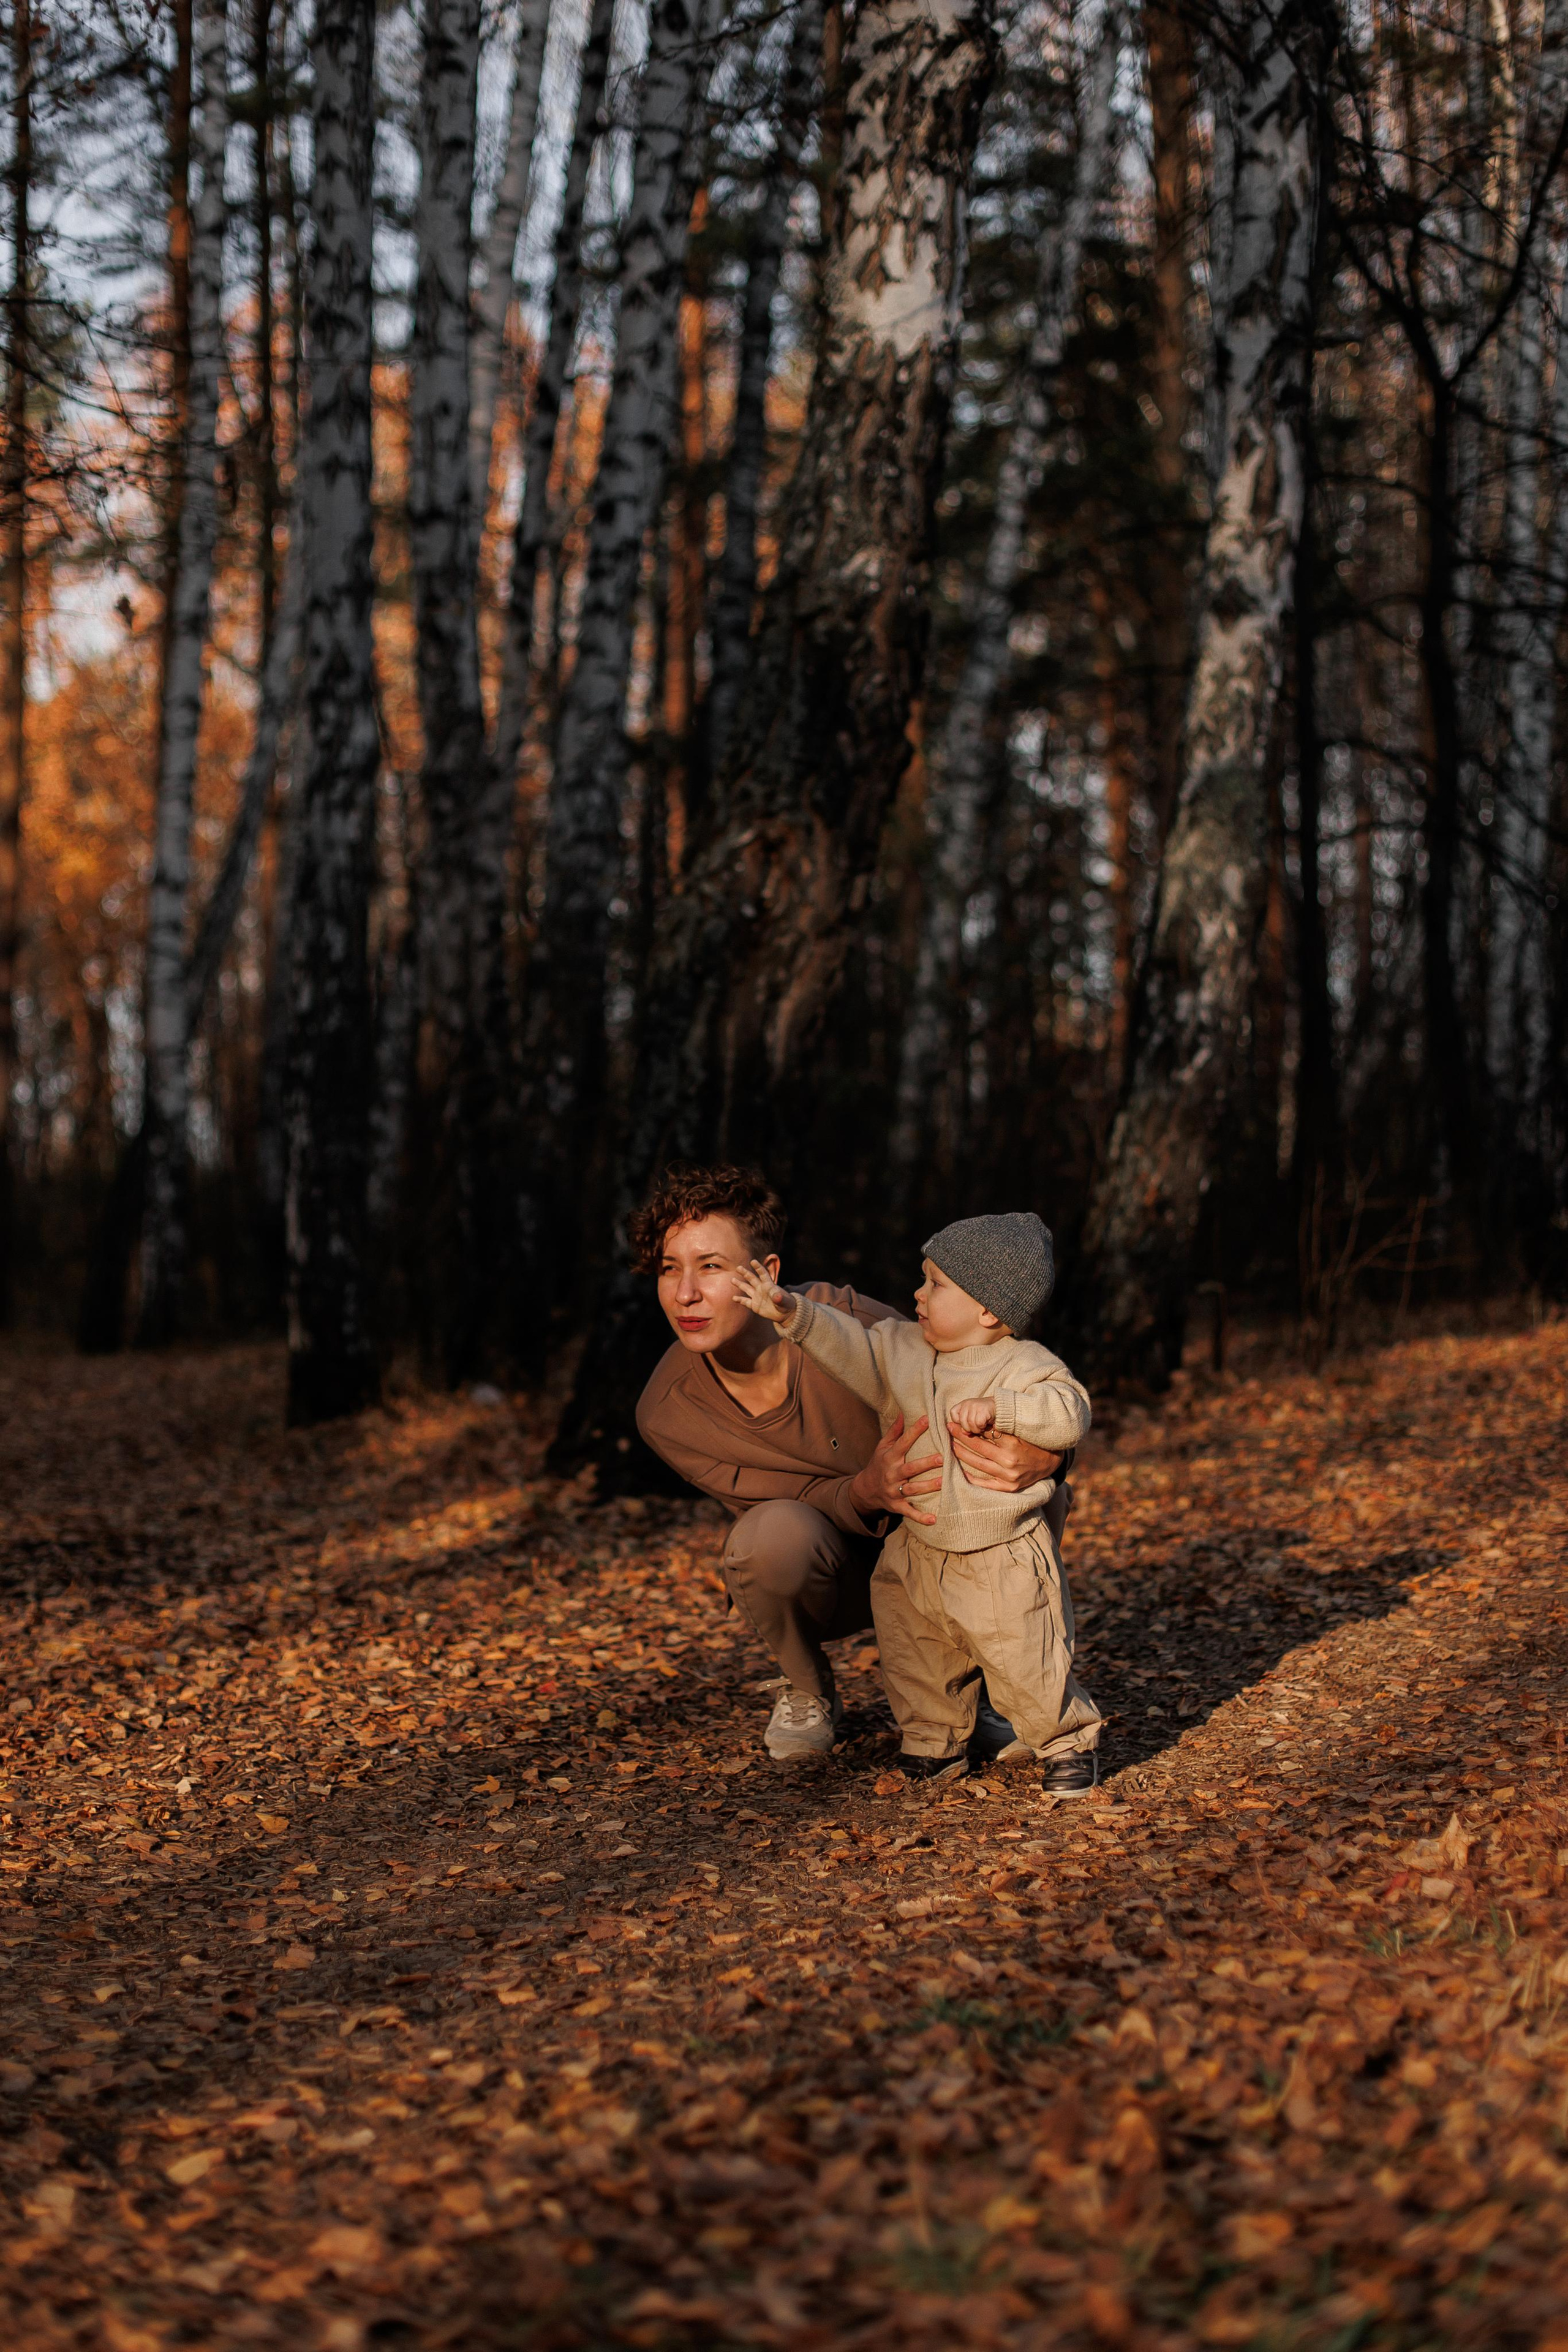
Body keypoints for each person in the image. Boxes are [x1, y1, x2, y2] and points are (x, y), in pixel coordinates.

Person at [632, 1166, 1069, 1760]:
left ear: (766, 1274)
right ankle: (808, 1689)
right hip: (836, 1567)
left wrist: (1047, 1457)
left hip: (948, 1542)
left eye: (710, 1266)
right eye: (668, 1268)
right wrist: (862, 1491)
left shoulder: (855, 1325)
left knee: (1041, 1490)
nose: (684, 1293)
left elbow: (999, 1370)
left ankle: (995, 1686)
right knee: (763, 1540)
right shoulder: (668, 1412)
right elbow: (768, 1514)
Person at [732, 1210, 1103, 1797]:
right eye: (923, 1279)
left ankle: (1066, 1743)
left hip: (999, 1552)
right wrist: (792, 1313)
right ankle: (934, 1742)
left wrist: (1004, 1409)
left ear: (989, 1308)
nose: (918, 1294)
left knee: (1025, 1655)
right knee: (916, 1656)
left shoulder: (1027, 1365)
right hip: (918, 1545)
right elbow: (847, 1344)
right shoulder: (900, 1349)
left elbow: (1069, 1412)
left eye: (936, 1284)